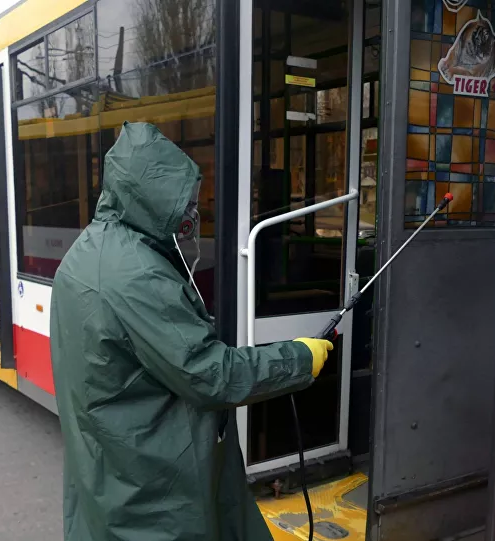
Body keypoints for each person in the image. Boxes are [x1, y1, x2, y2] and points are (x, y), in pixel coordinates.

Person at [50, 122, 334, 541]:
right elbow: (210, 373)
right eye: (184, 202)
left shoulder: (88, 250)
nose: (192, 213)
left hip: (111, 471)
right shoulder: (138, 275)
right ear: (150, 198)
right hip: (155, 491)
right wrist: (300, 358)